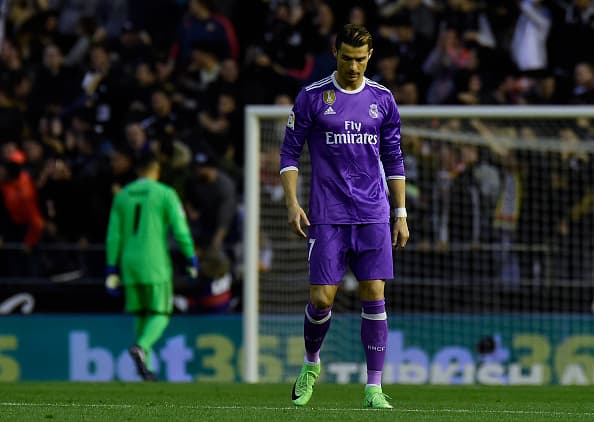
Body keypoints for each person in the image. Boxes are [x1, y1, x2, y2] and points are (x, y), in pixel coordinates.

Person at [280, 23, 409, 409]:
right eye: (347, 58)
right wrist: (291, 202)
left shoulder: (383, 100)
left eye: (361, 59)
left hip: (373, 212)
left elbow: (394, 158)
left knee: (374, 293)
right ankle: (311, 365)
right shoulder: (312, 97)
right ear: (335, 53)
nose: (354, 66)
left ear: (370, 57)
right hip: (328, 212)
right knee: (322, 299)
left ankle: (373, 389)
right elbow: (289, 154)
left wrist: (400, 213)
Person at [105, 152, 199, 381]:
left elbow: (113, 236)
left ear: (138, 171)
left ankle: (144, 368)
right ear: (156, 170)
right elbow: (180, 229)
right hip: (154, 262)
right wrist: (190, 257)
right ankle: (142, 347)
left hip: (129, 263)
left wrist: (111, 267)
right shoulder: (165, 193)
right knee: (161, 312)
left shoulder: (122, 196)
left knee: (141, 313)